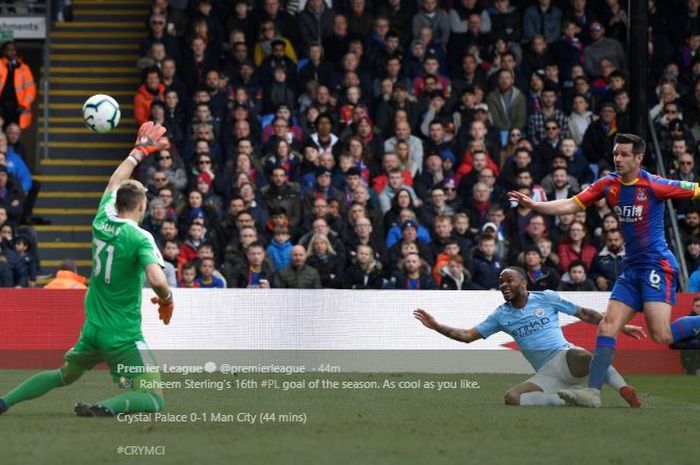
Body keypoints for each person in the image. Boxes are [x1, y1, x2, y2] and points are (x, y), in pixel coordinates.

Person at [508, 132, 700, 407]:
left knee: (662, 335)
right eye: (615, 154)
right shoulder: (608, 184)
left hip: (656, 266)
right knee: (607, 326)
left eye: (623, 154)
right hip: (631, 267)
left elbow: (695, 189)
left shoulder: (655, 184)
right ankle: (593, 393)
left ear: (638, 157)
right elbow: (571, 203)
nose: (618, 159)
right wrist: (536, 204)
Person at [0, 122, 174, 417]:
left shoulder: (102, 218)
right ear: (142, 205)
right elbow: (156, 278)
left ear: (117, 201)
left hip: (92, 329)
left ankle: (4, 402)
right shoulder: (139, 237)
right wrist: (167, 298)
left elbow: (113, 182)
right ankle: (103, 408)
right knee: (155, 398)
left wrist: (137, 153)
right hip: (122, 335)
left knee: (62, 376)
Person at [414, 267, 643, 407]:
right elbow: (466, 336)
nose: (503, 285)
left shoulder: (546, 297)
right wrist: (435, 326)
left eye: (508, 280)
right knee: (512, 398)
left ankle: (624, 389)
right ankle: (566, 399)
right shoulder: (501, 315)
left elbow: (584, 313)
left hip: (565, 357)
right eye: (501, 282)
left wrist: (619, 325)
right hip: (546, 374)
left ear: (523, 283)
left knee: (583, 354)